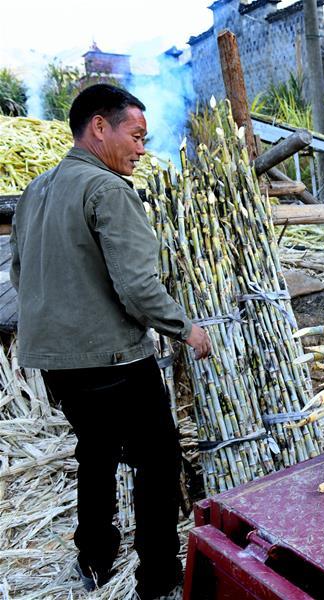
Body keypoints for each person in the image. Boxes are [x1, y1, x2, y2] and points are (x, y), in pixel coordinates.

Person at [10, 84, 212, 600]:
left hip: (55, 361)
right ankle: (158, 576)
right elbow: (138, 287)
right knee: (156, 460)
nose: (142, 149)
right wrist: (185, 328)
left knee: (95, 452)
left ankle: (94, 559)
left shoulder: (37, 189)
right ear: (99, 127)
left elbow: (19, 274)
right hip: (113, 358)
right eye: (136, 136)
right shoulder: (108, 189)